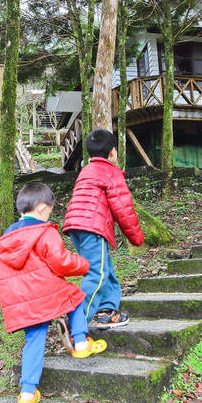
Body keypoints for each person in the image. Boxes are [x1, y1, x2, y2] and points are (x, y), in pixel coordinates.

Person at [0, 182, 106, 403]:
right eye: (51, 210)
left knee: (34, 339)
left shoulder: (6, 237)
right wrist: (84, 265)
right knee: (76, 297)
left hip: (19, 299)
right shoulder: (45, 232)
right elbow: (61, 262)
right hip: (44, 292)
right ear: (43, 208)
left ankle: (27, 393)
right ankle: (81, 344)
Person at [63, 129, 144, 329]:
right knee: (96, 274)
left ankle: (107, 312)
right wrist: (137, 238)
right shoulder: (111, 172)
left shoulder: (86, 171)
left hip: (76, 226)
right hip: (92, 228)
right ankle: (76, 321)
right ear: (113, 152)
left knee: (105, 270)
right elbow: (123, 209)